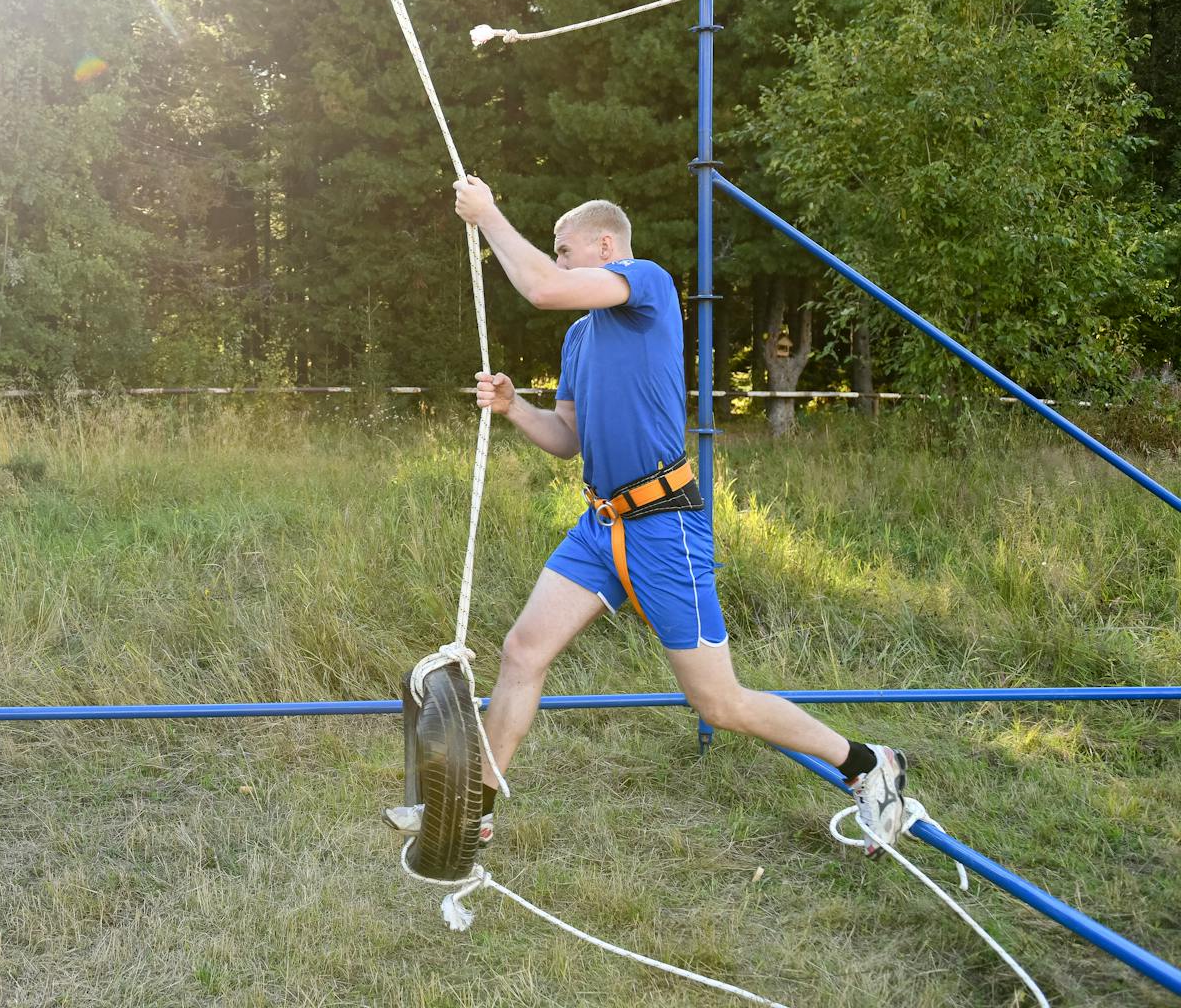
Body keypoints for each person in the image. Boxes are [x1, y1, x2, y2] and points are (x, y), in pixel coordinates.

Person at [388, 178, 909, 854]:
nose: (562, 262)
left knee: (719, 704)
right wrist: (517, 408)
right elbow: (567, 440)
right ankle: (473, 810)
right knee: (522, 651)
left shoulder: (649, 286)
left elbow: (541, 286)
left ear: (608, 246)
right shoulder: (579, 339)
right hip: (601, 528)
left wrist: (487, 216)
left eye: (567, 250)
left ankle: (869, 766)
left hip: (666, 525)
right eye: (558, 252)